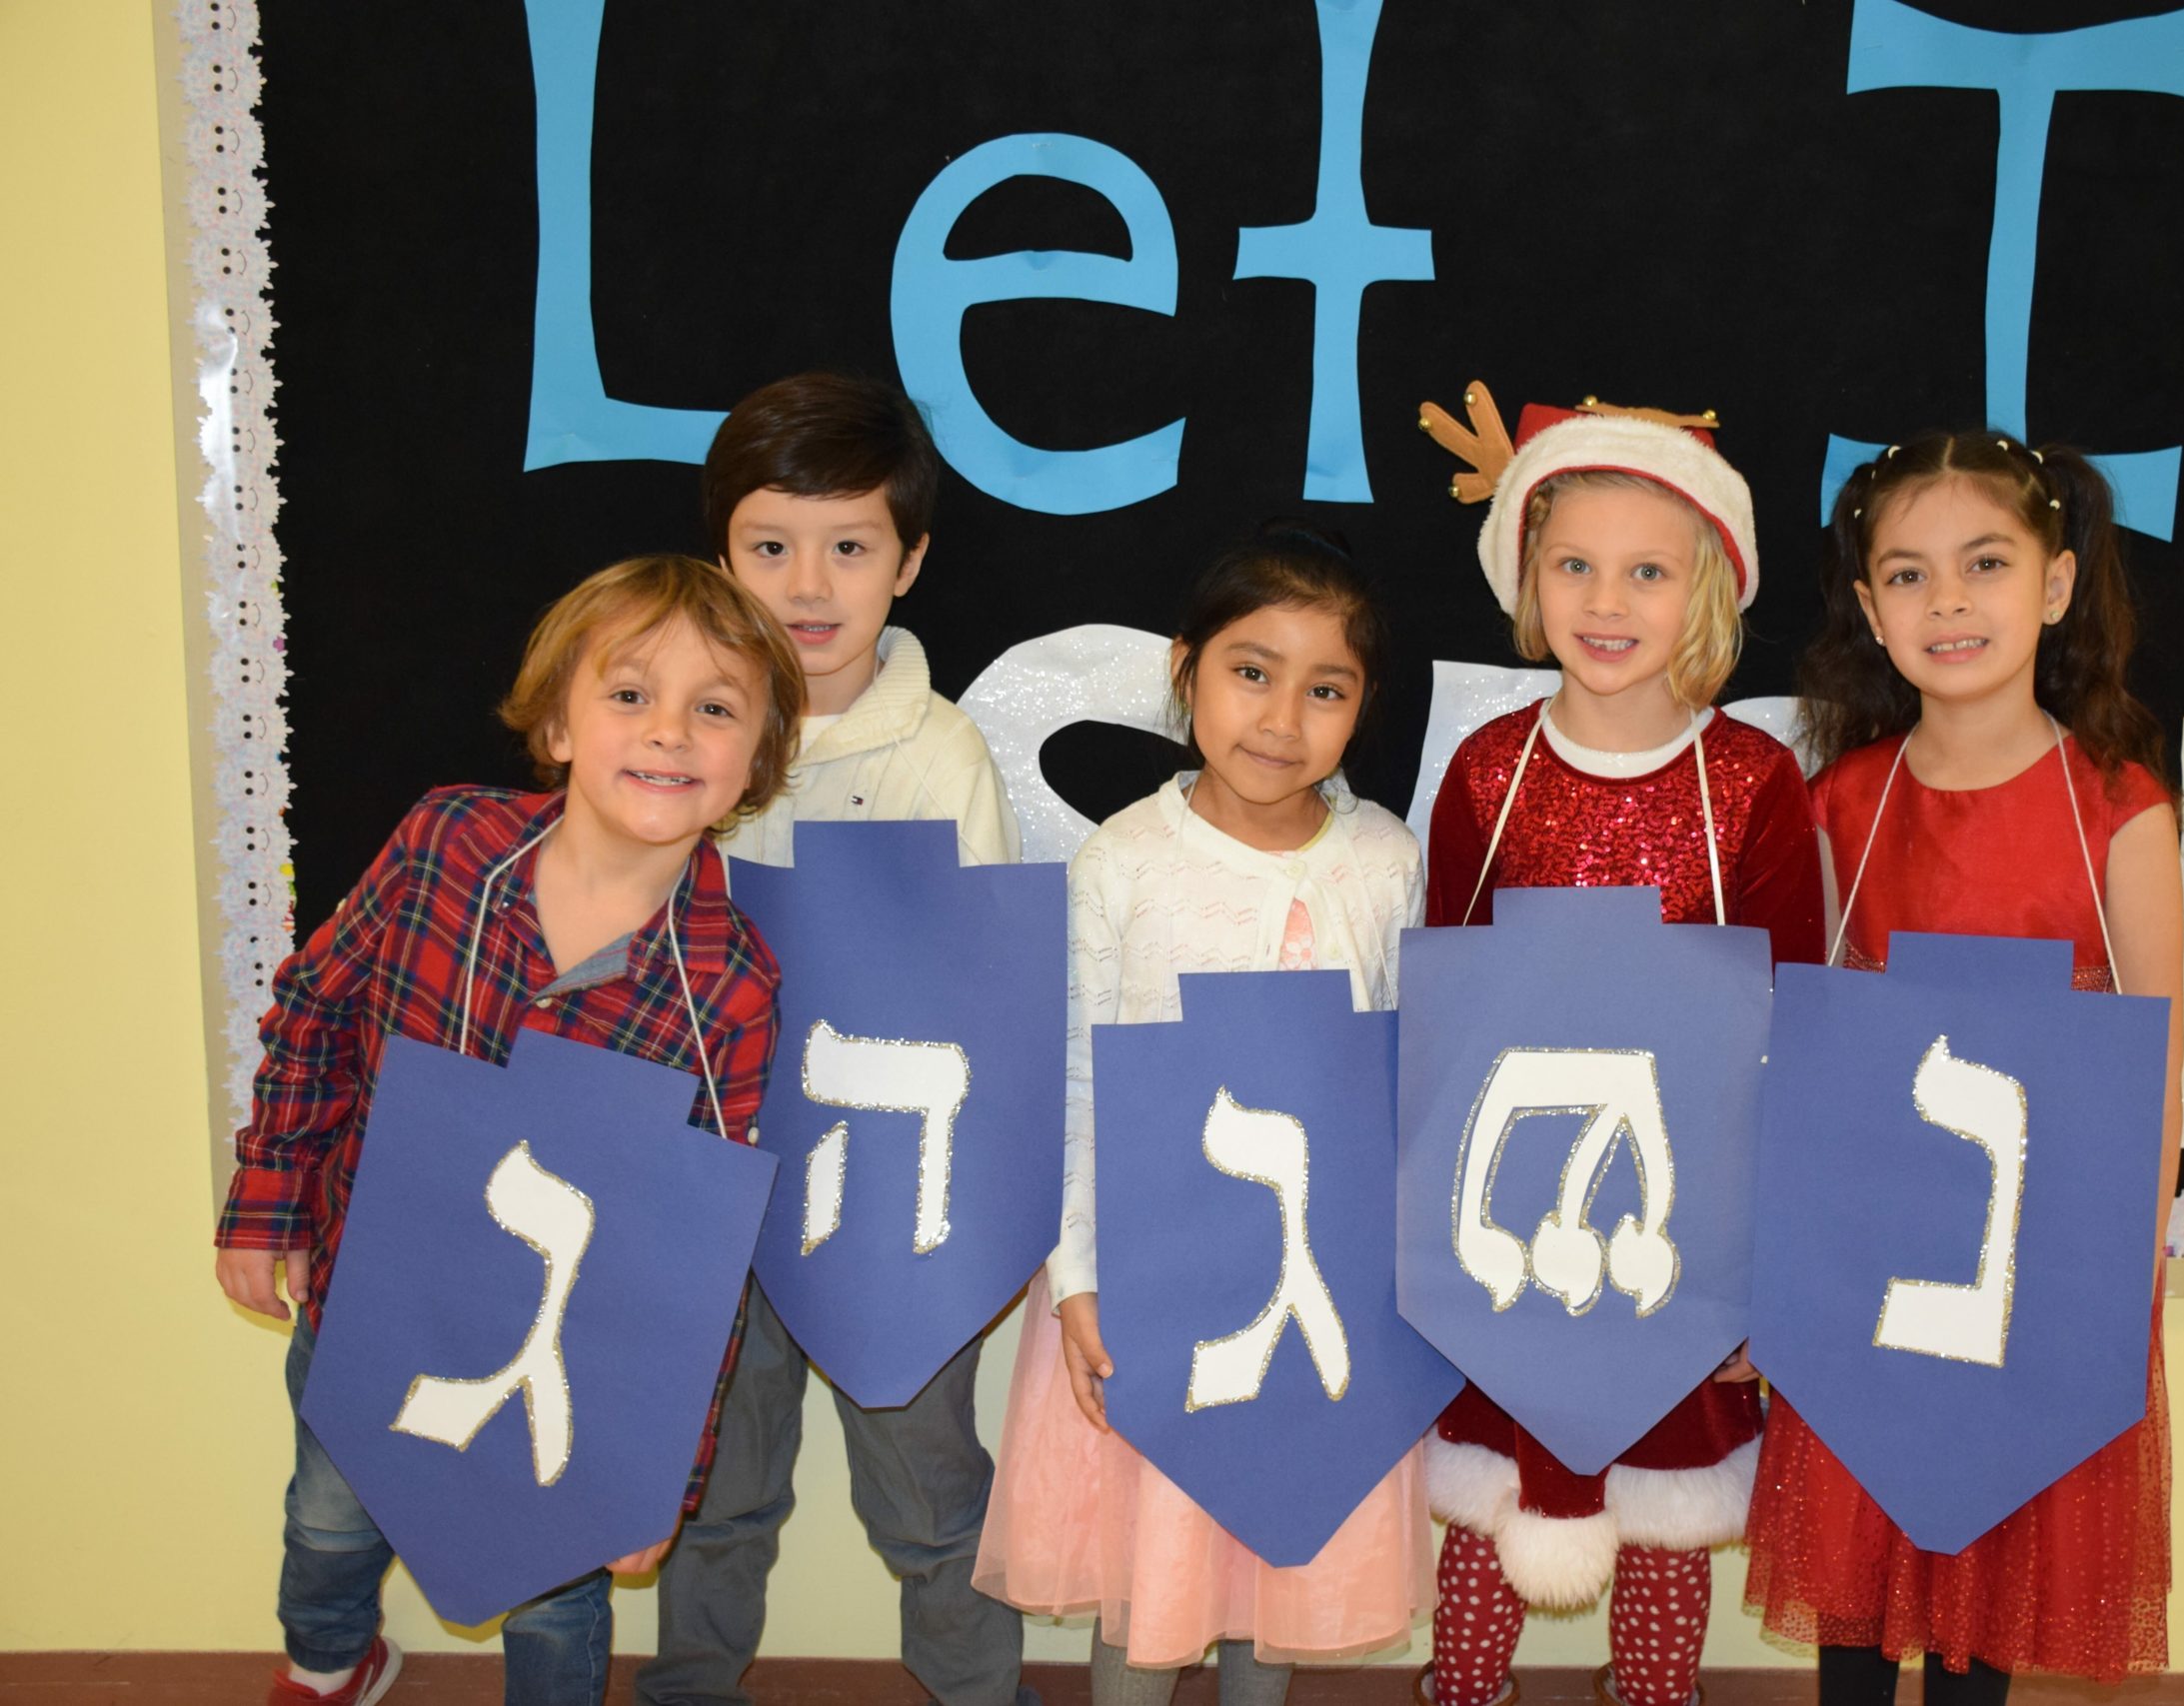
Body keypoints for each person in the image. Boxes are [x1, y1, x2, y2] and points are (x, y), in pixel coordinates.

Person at [215, 556, 804, 1705]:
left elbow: (695, 1256)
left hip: (559, 1362)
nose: (671, 732)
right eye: (630, 694)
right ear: (557, 723)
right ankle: (329, 1663)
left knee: (554, 1589)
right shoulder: (445, 844)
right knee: (326, 1524)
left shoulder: (730, 987)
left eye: (716, 709)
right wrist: (268, 1197)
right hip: (366, 1295)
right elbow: (317, 1008)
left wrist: (652, 1473)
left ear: (755, 764)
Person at [1743, 431, 2184, 1703]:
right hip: (1868, 1262)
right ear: (1870, 611)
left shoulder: (2120, 808)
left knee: (1993, 1556)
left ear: (2051, 585)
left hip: (2037, 1267)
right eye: (1906, 573)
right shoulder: (1841, 806)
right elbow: (1804, 1054)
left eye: (1983, 564)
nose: (1947, 601)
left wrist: (2127, 1275)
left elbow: (2149, 1068)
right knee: (1856, 1559)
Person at [974, 525, 1431, 1706]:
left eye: (1324, 688)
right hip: (1151, 1282)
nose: (1280, 719)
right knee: (1156, 1567)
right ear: (1185, 670)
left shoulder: (1384, 861)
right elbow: (1073, 1075)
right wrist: (1076, 1277)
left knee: (1280, 1548)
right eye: (1249, 671)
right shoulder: (1124, 861)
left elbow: (1406, 1080)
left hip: (1317, 1293)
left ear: (1362, 705)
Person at [1413, 391, 1823, 1706]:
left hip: (1683, 1226)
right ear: (1528, 577)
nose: (1607, 597)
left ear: (1706, 587)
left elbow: (1796, 1025)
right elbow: (1444, 1011)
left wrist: (1759, 1271)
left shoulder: (1758, 779)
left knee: (1667, 1504)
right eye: (1574, 562)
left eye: (1647, 569)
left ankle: (1656, 1692)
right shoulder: (1485, 768)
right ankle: (1461, 1689)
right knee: (1489, 1502)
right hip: (1508, 1216)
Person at [642, 372, 1028, 1706]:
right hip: (717, 1181)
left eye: (850, 545)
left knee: (925, 1483)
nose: (809, 582)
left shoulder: (939, 753)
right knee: (716, 1476)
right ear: (722, 555)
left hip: (887, 1189)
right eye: (770, 545)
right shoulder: (681, 735)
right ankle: (690, 1680)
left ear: (909, 561)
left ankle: (977, 1684)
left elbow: (981, 996)